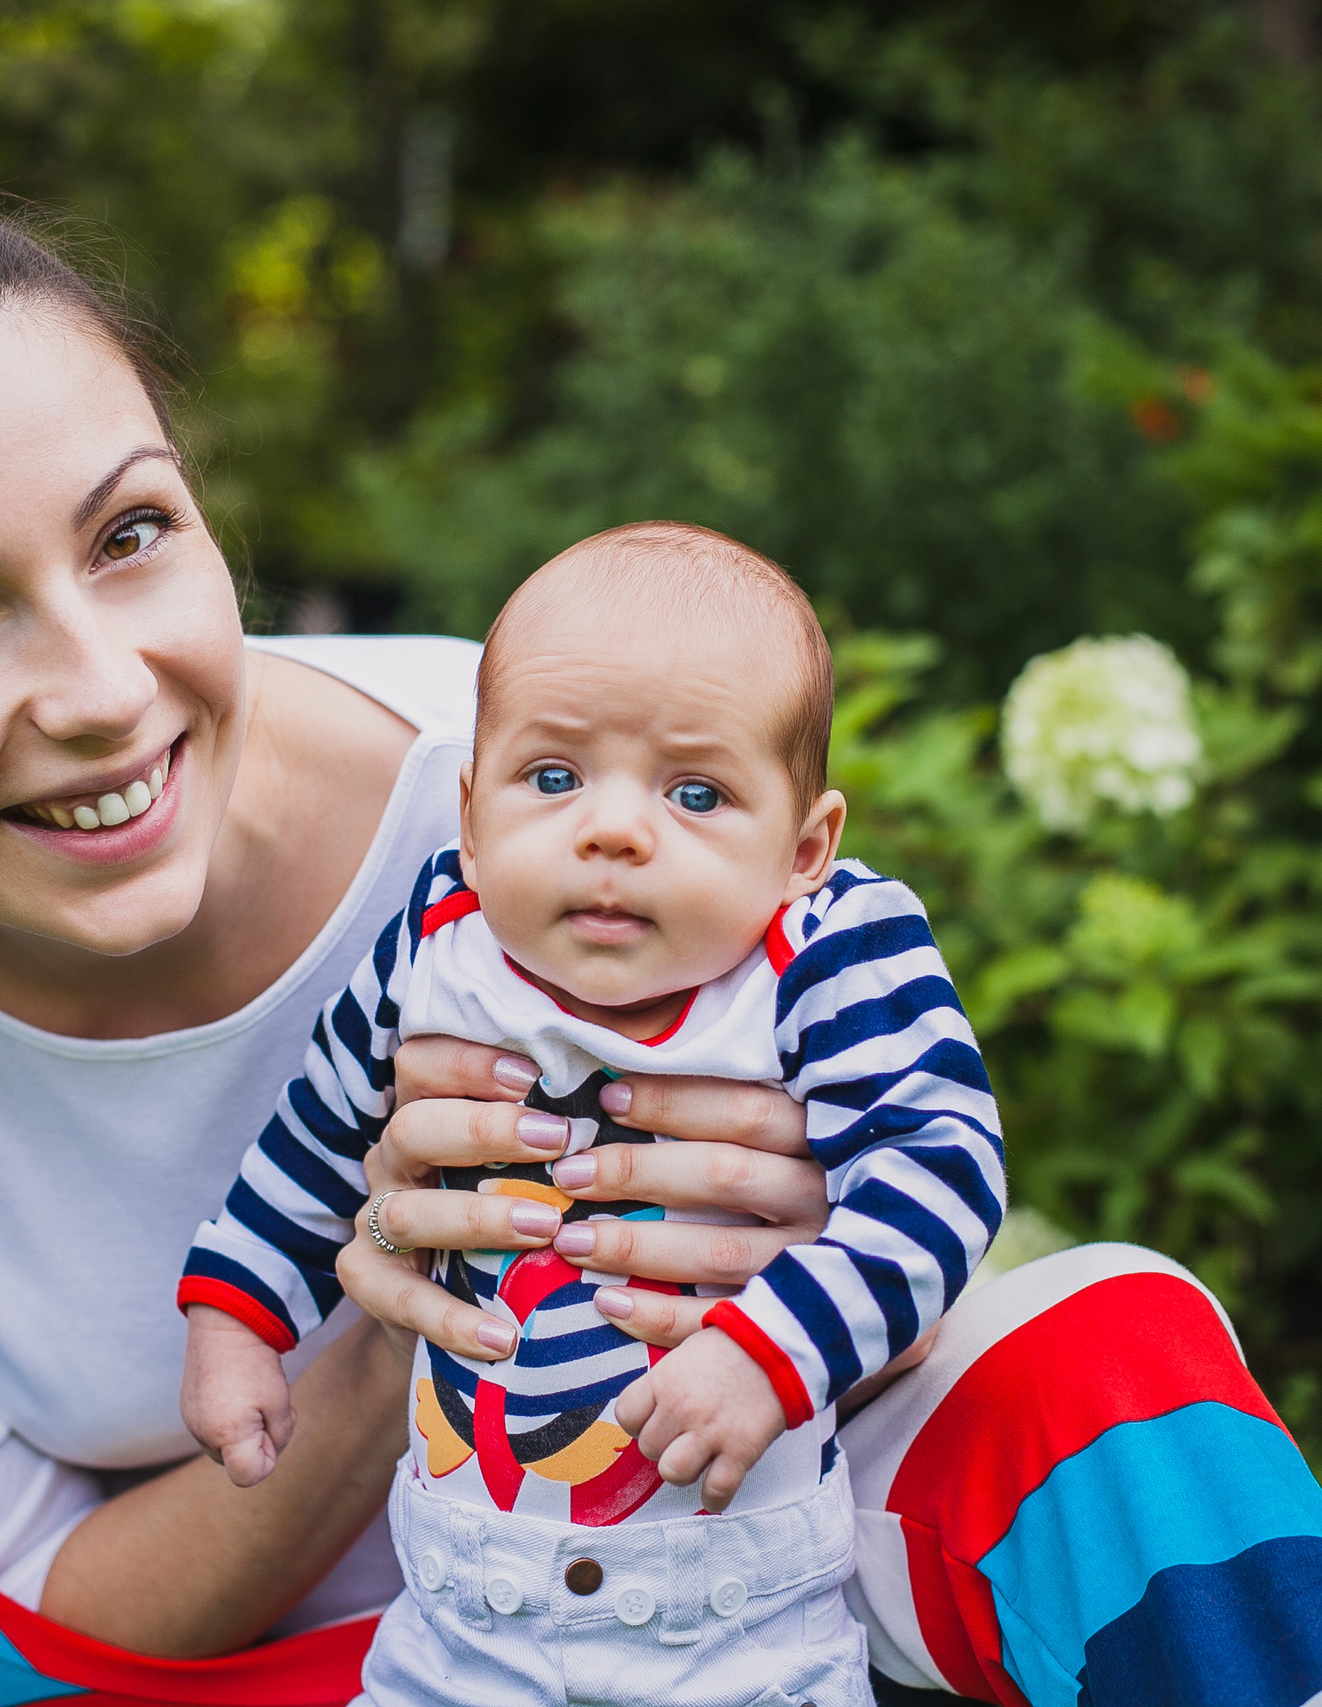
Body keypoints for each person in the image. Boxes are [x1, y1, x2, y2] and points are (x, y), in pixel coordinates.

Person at [0, 198, 1322, 1707]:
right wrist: (380, 1333)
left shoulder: (521, 804)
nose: (102, 687)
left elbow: (883, 1218)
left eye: (132, 536)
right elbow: (57, 1609)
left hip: (692, 1610)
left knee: (1090, 1341)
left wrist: (798, 1288)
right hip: (148, 1674)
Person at [179, 523, 1007, 1707]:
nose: (614, 830)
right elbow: (317, 1134)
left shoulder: (827, 952)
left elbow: (942, 1168)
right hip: (463, 1617)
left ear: (804, 847)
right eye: (555, 777)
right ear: (470, 815)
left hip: (737, 1622)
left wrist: (768, 1352)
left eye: (697, 792)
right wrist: (233, 1317)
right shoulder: (440, 938)